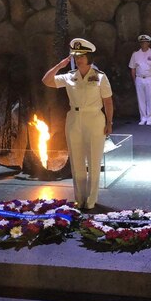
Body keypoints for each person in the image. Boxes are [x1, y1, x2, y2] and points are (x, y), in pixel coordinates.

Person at [42, 38, 113, 211]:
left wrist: (109, 123)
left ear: (90, 57)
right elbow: (46, 81)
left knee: (94, 160)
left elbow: (108, 102)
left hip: (94, 118)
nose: (78, 59)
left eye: (82, 55)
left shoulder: (100, 77)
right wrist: (60, 65)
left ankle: (91, 198)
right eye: (75, 55)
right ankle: (80, 198)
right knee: (76, 160)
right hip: (74, 118)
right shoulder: (69, 76)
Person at [129, 34, 151, 126]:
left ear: (148, 43)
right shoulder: (135, 54)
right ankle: (143, 117)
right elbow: (132, 68)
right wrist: (134, 80)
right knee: (141, 99)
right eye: (142, 42)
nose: (144, 44)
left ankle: (150, 117)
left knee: (150, 98)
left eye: (145, 42)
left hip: (150, 78)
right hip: (139, 78)